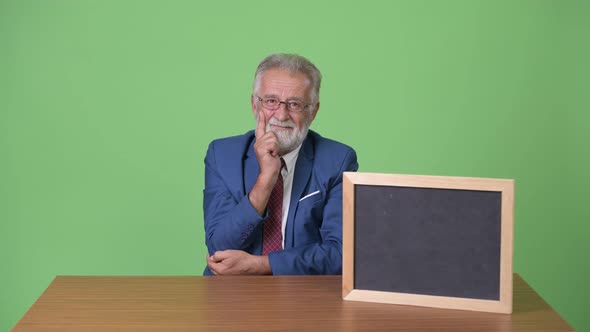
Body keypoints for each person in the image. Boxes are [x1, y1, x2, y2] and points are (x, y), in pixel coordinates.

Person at [203, 53, 358, 275]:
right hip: (232, 292)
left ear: (313, 111)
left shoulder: (337, 160)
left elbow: (340, 254)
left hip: (303, 295)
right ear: (255, 105)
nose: (282, 114)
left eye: (295, 104)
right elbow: (219, 248)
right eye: (271, 101)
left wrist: (262, 265)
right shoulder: (223, 155)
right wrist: (266, 180)